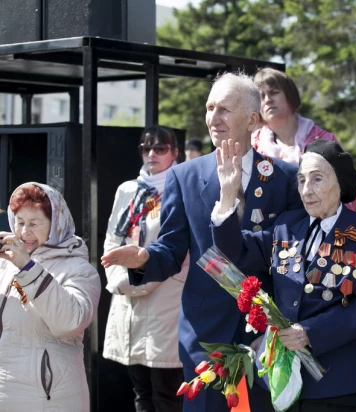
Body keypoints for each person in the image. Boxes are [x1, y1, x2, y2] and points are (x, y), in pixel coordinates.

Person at [101, 72, 303, 412]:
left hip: (267, 335)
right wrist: (143, 259)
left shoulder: (283, 178)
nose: (213, 118)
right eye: (209, 108)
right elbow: (170, 250)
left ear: (253, 119)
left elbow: (288, 256)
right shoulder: (186, 176)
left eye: (224, 109)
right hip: (206, 335)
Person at [212, 139, 356, 411]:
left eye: (317, 179)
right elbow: (235, 252)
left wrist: (310, 333)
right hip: (279, 381)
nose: (306, 190)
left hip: (336, 383)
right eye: (302, 180)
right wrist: (227, 196)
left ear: (339, 183)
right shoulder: (286, 225)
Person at [102, 126, 187, 412]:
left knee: (166, 391)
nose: (152, 154)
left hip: (165, 297)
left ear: (175, 153)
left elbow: (176, 247)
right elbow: (112, 239)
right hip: (126, 296)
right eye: (146, 148)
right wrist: (118, 280)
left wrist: (140, 278)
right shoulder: (128, 189)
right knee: (140, 391)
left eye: (160, 148)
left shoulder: (181, 186)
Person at [0, 182, 101, 411]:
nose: (25, 232)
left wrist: (27, 267)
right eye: (20, 222)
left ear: (55, 224)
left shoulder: (79, 268)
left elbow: (70, 322)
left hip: (51, 397)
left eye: (34, 223)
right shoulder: (5, 264)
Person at [252, 67, 356, 211]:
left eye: (274, 92)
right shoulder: (251, 145)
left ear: (291, 96)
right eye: (261, 96)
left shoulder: (325, 142)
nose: (267, 100)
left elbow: (349, 192)